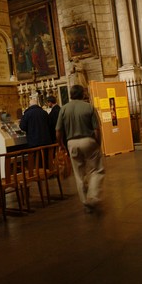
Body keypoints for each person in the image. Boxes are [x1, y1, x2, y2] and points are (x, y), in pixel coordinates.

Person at [55, 84, 105, 213]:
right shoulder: (89, 107)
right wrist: (98, 143)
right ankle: (92, 197)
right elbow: (97, 129)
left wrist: (60, 144)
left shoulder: (64, 109)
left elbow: (58, 130)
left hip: (72, 143)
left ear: (71, 95)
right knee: (96, 170)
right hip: (88, 141)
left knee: (79, 174)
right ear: (83, 94)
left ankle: (84, 202)